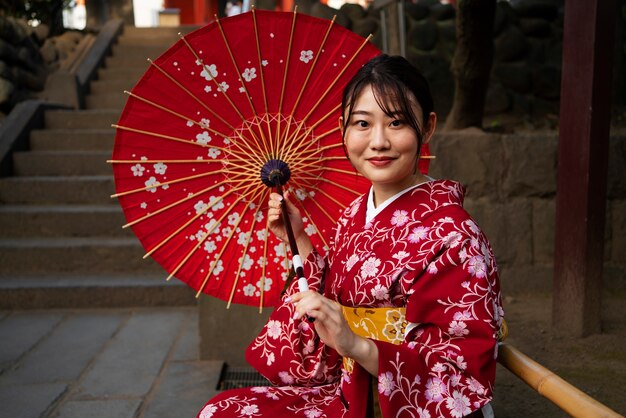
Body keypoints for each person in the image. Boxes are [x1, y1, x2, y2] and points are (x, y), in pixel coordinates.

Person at [197, 54, 503, 418]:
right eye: (362, 123)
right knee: (221, 411)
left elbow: (459, 372)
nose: (378, 141)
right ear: (342, 126)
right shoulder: (353, 214)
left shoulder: (455, 236)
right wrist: (298, 239)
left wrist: (357, 345)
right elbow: (330, 307)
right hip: (349, 391)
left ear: (428, 127)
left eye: (397, 123)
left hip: (401, 404)